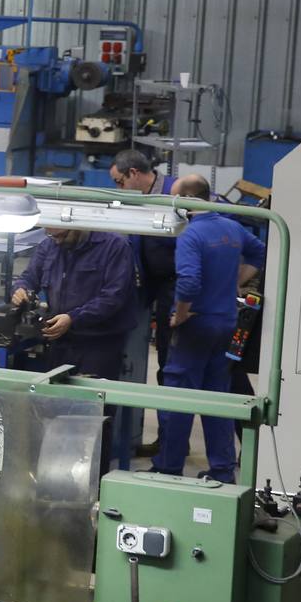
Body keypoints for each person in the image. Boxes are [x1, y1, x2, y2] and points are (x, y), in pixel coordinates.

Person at [151, 176, 265, 484]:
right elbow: (259, 252)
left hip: (197, 325)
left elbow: (188, 282)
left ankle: (169, 469)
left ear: (188, 201)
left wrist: (181, 315)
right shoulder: (232, 228)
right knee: (217, 397)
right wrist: (235, 283)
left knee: (178, 397)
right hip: (226, 323)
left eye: (176, 200)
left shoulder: (192, 235)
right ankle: (222, 471)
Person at [11, 227, 140, 380]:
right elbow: (30, 277)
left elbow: (113, 297)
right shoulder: (48, 245)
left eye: (62, 236)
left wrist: (73, 318)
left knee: (94, 400)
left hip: (99, 344)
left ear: (77, 227)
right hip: (60, 341)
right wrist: (21, 289)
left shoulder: (115, 246)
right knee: (57, 398)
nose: (57, 241)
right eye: (51, 236)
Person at [112, 149, 176, 456]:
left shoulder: (177, 192)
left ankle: (170, 445)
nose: (118, 189)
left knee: (172, 366)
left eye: (119, 182)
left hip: (177, 289)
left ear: (134, 174)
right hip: (149, 286)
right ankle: (170, 442)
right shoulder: (136, 199)